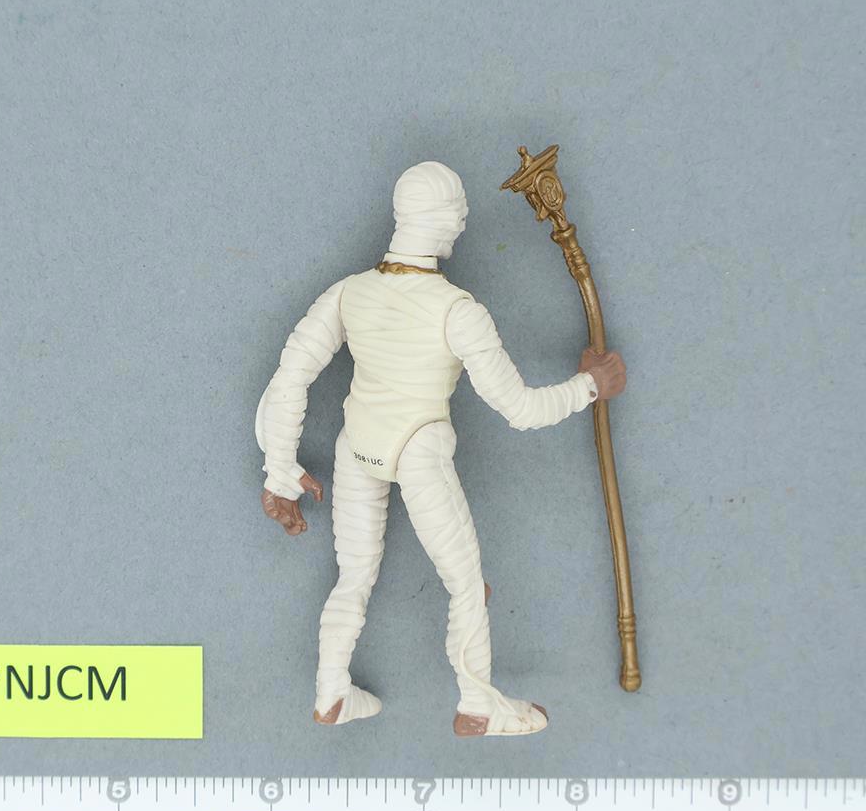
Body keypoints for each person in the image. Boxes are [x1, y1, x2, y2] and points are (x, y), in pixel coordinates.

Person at [255, 161, 626, 736]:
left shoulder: (349, 292)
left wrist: (280, 469)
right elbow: (520, 409)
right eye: (459, 213)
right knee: (464, 582)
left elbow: (289, 378)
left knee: (353, 575)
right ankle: (477, 703)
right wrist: (591, 386)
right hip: (418, 450)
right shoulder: (458, 311)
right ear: (448, 218)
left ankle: (331, 691)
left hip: (359, 446)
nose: (462, 223)